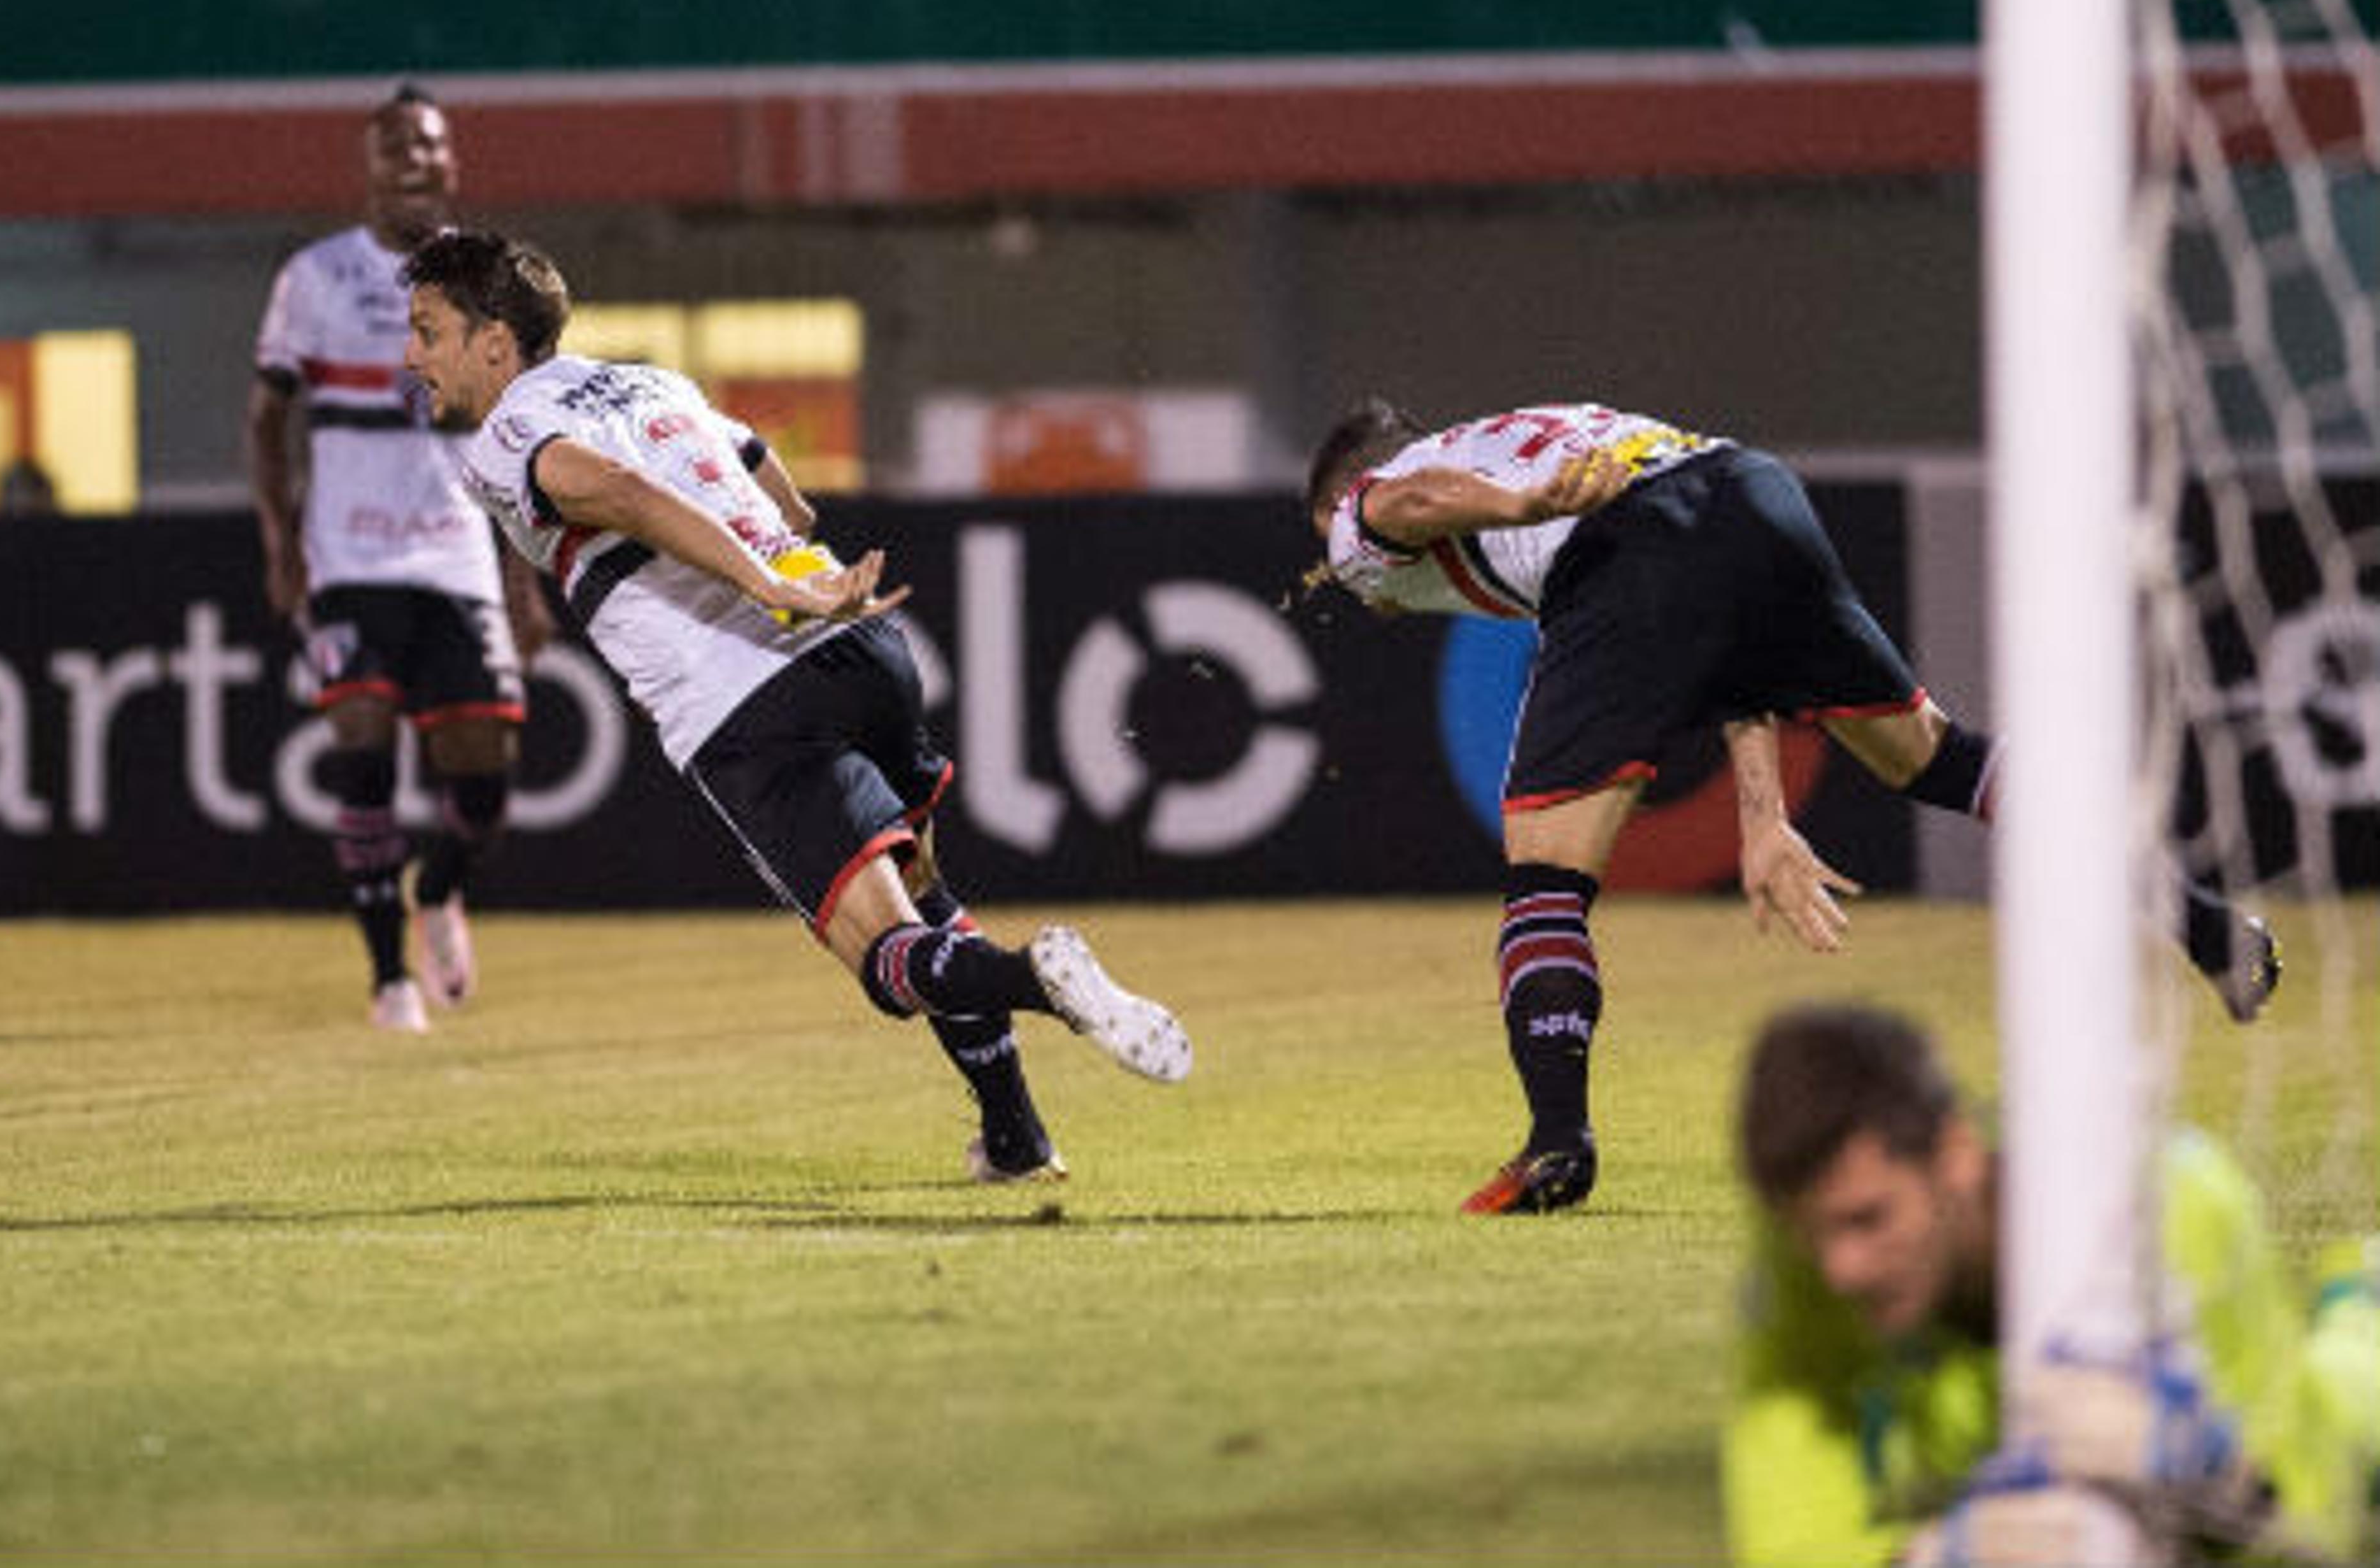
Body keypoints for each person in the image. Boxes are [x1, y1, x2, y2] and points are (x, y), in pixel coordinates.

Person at [1303, 397, 2281, 1215]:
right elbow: (1720, 626)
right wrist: (1761, 817)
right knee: (1936, 761)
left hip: (1628, 546)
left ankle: (1558, 1142)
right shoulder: (1530, 429)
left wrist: (1513, 504)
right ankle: (2207, 929)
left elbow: (1410, 499)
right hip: (1752, 493)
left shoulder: (1375, 512)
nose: (1358, 592)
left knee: (1546, 874)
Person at [399, 229, 1189, 1181]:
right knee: (927, 898)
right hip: (862, 654)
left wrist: (767, 588)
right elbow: (783, 498)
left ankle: (1037, 977)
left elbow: (611, 490)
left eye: (428, 331)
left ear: (495, 343)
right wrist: (791, 573)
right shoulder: (653, 385)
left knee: (890, 961)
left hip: (747, 698)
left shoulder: (504, 437)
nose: (414, 357)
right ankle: (1015, 1138)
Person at [1724, 1001, 2379, 1566]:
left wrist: (2221, 1476)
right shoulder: (1803, 1273)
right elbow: (1785, 1539)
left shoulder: (2170, 1214)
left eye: (1869, 1219)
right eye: (1811, 1234)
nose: (1843, 1269)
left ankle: (2361, 1299)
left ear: (1955, 1155)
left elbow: (2324, 1520)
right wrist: (1929, 1557)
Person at [245, 83, 555, 1035]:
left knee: (486, 789)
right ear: (370, 166)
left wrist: (524, 579)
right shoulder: (314, 277)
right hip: (348, 559)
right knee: (363, 748)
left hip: (457, 556)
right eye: (397, 147)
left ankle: (439, 890)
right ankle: (389, 980)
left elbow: (520, 436)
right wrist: (282, 539)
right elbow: (268, 418)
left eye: (430, 145)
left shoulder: (489, 281)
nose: (415, 160)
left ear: (451, 162)